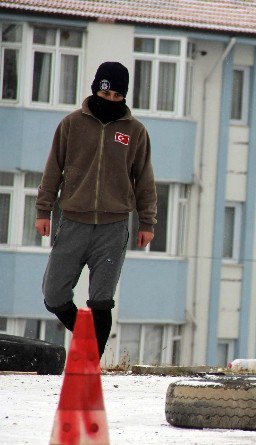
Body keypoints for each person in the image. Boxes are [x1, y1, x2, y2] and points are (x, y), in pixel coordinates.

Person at [35, 61, 157, 357]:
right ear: (96, 90)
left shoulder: (135, 131)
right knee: (54, 295)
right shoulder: (71, 124)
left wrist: (147, 222)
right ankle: (87, 338)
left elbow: (144, 179)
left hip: (114, 228)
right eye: (107, 94)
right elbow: (53, 170)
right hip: (74, 222)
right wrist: (43, 210)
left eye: (118, 96)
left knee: (101, 300)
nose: (112, 100)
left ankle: (92, 365)